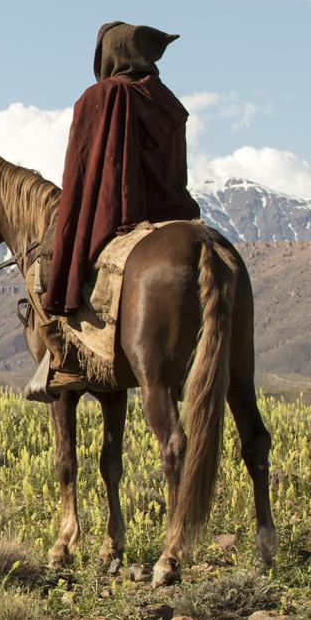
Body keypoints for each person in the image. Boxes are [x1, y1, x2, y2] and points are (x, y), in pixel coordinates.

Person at [28, 22, 200, 400]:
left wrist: (76, 217)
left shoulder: (101, 96)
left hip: (120, 212)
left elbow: (84, 169)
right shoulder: (169, 101)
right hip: (175, 214)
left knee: (50, 261)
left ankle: (63, 358)